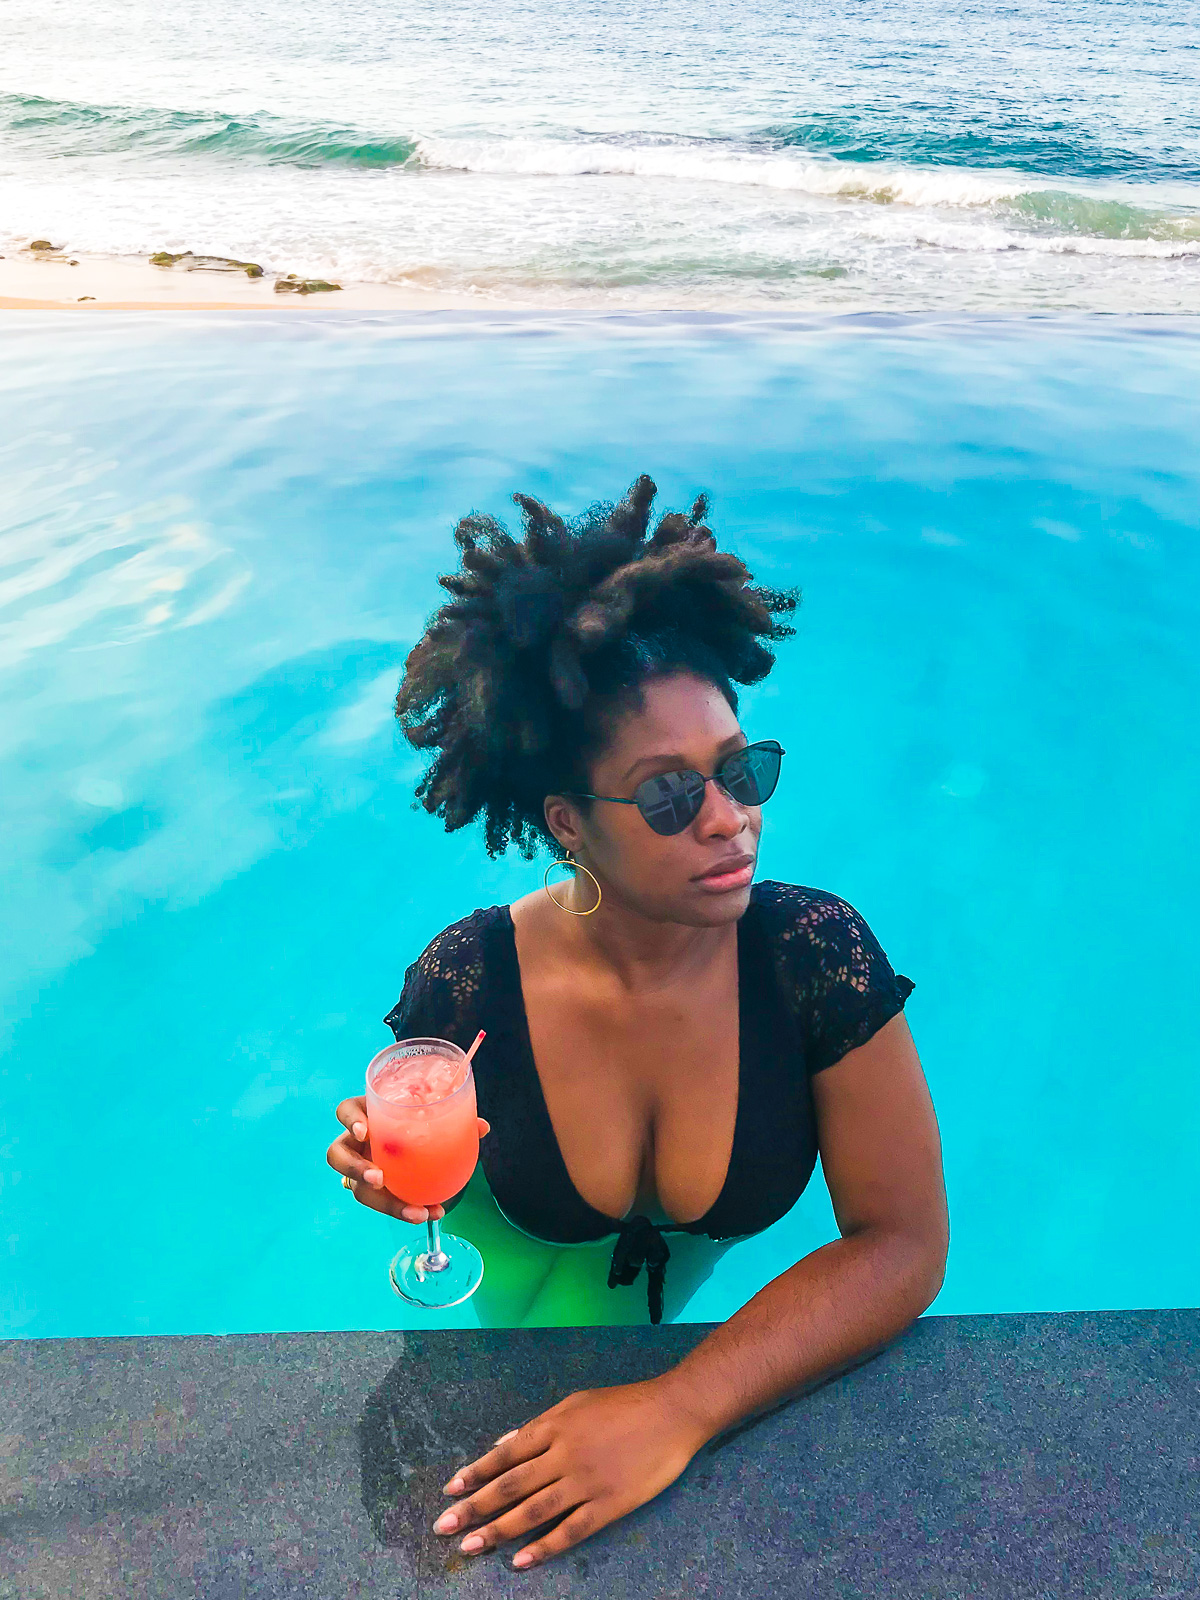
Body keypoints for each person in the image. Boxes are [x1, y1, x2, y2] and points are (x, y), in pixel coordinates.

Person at [327, 475, 949, 1571]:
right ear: (569, 824)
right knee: (476, 1431)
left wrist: (678, 1406)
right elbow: (423, 1166)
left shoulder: (816, 961)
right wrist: (393, 1180)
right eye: (668, 796)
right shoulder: (468, 984)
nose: (731, 820)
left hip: (678, 1262)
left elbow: (904, 1242)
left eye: (740, 770)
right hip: (516, 1236)